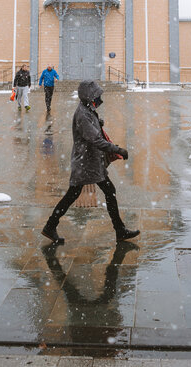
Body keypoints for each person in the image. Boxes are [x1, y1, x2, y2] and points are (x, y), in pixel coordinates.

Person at [41, 79, 140, 244]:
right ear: (89, 96)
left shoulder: (88, 110)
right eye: (97, 96)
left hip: (90, 161)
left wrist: (97, 123)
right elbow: (96, 140)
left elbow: (92, 131)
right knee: (82, 194)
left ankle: (51, 226)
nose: (100, 99)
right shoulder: (83, 114)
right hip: (85, 163)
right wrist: (117, 150)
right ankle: (119, 230)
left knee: (89, 193)